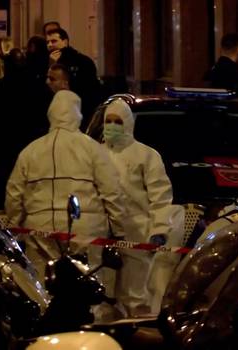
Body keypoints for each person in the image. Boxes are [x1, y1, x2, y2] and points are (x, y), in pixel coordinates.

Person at [5, 90, 130, 320]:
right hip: (85, 230)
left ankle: (45, 331)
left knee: (42, 287)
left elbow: (14, 194)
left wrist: (15, 228)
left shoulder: (30, 152)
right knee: (87, 285)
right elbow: (111, 192)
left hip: (39, 228)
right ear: (78, 115)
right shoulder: (92, 149)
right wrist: (119, 230)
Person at [101, 99, 180, 316]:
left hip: (135, 232)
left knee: (135, 296)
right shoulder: (96, 154)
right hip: (101, 235)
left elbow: (160, 197)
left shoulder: (146, 156)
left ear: (127, 123)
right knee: (102, 296)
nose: (112, 126)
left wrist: (159, 229)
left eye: (117, 121)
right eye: (108, 121)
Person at [46, 28, 101, 130]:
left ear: (65, 42)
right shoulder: (47, 61)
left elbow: (89, 90)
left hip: (79, 113)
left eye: (54, 41)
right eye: (47, 42)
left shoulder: (82, 61)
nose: (49, 45)